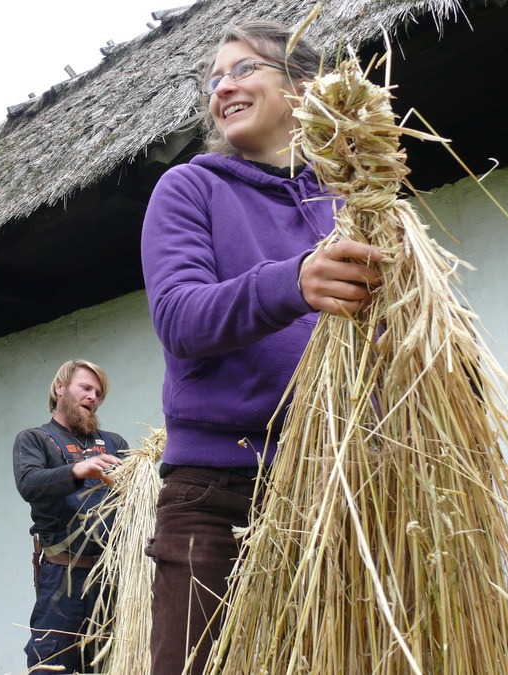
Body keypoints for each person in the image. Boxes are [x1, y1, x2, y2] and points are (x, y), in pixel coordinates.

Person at [140, 21, 383, 675]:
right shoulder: (190, 189)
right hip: (216, 495)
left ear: (301, 89)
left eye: (243, 69)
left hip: (331, 492)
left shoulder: (348, 203)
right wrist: (295, 281)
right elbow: (180, 316)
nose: (223, 87)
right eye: (214, 79)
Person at [13, 359, 128, 673]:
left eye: (98, 393)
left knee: (108, 664)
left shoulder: (114, 443)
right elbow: (29, 483)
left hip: (108, 576)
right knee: (51, 664)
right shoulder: (36, 439)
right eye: (86, 388)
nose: (93, 397)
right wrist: (78, 469)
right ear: (59, 388)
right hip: (62, 576)